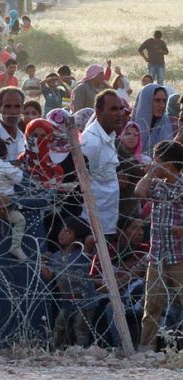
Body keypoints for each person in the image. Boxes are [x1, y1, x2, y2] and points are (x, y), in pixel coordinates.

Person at [134, 141, 183, 351]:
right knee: (152, 305)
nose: (154, 164)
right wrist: (150, 174)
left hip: (179, 256)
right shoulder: (157, 185)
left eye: (158, 161)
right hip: (157, 256)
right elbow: (138, 192)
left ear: (170, 164)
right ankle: (146, 349)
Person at [41, 217, 94, 348]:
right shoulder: (56, 256)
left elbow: (91, 239)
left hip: (84, 300)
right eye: (61, 231)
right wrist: (42, 261)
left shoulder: (82, 254)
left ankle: (81, 352)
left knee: (80, 328)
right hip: (66, 300)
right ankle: (56, 350)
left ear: (79, 238)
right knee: (59, 326)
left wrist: (85, 234)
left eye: (68, 232)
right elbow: (48, 276)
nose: (62, 234)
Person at [80, 89, 125, 236]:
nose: (119, 113)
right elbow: (80, 183)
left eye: (121, 108)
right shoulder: (92, 141)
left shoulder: (110, 135)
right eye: (113, 109)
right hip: (93, 226)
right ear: (98, 112)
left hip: (108, 221)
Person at [131, 84, 172, 154]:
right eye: (157, 100)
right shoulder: (130, 128)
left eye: (164, 101)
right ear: (146, 101)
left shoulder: (165, 124)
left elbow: (169, 152)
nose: (162, 105)